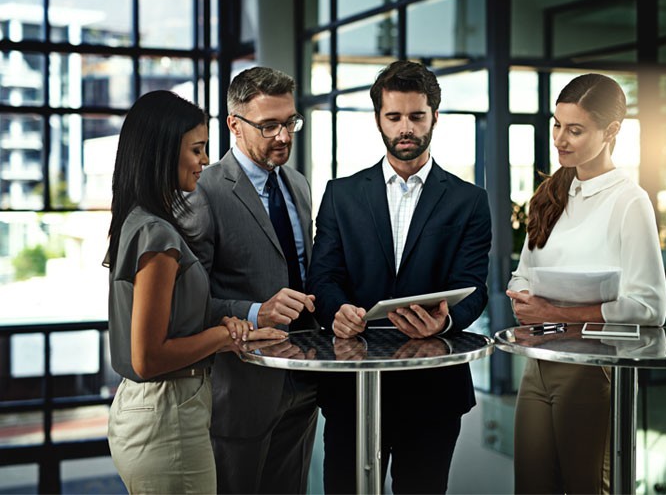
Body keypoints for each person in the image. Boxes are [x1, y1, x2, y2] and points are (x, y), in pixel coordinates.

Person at [306, 60, 492, 494]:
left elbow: (475, 284)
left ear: (434, 117)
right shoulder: (341, 195)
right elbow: (324, 275)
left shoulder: (470, 201)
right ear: (378, 120)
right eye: (394, 117)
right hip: (353, 386)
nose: (405, 128)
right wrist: (337, 312)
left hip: (433, 389)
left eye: (416, 116)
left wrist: (445, 322)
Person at [105, 90, 286, 493]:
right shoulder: (158, 235)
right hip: (167, 416)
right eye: (197, 149)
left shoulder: (139, 222)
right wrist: (225, 336)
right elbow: (149, 357)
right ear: (163, 152)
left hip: (155, 410)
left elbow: (169, 323)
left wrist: (231, 326)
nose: (205, 160)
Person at [506, 73, 666, 494]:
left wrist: (557, 313)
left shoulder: (629, 201)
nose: (560, 138)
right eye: (556, 125)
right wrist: (522, 295)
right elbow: (523, 269)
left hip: (592, 371)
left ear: (611, 132)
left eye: (575, 130)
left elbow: (650, 308)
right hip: (538, 364)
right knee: (531, 486)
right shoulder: (550, 193)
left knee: (588, 487)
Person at [180, 66, 319, 494]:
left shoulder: (297, 183)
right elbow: (190, 303)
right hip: (242, 389)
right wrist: (256, 313)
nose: (283, 137)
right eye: (269, 126)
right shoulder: (203, 191)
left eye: (290, 122)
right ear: (234, 126)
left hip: (304, 379)